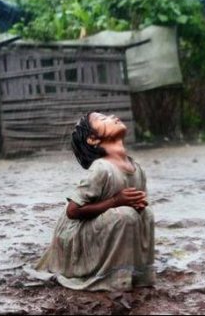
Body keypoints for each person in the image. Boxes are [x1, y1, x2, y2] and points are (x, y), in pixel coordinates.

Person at [30, 111, 155, 291]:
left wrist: (139, 204)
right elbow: (72, 211)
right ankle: (111, 277)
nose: (113, 116)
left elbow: (140, 204)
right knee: (125, 216)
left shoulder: (137, 169)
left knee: (146, 214)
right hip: (76, 232)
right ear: (92, 139)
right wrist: (115, 201)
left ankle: (138, 275)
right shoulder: (102, 169)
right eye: (103, 119)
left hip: (105, 224)